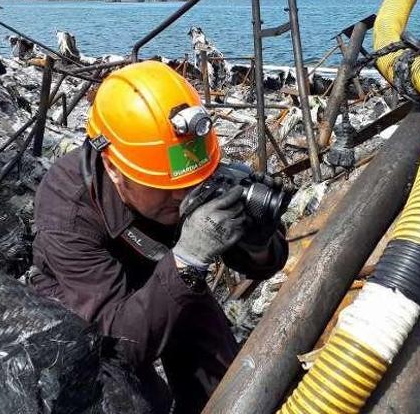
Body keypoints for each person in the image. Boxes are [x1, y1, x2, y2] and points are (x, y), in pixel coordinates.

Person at [30, 61, 288, 413]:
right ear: (114, 170)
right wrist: (188, 260)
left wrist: (256, 241)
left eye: (191, 183)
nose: (183, 197)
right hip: (84, 299)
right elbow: (118, 345)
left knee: (221, 371)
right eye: (166, 188)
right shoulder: (67, 208)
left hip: (163, 270)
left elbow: (266, 264)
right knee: (131, 398)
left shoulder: (182, 173)